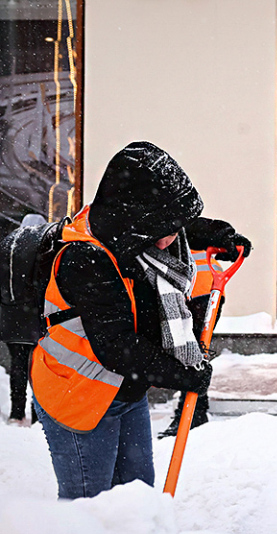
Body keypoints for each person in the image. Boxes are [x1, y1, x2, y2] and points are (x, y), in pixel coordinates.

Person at [31, 141, 252, 499]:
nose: (169, 240)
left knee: (136, 501)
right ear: (136, 222)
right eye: (162, 230)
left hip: (126, 390)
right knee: (87, 509)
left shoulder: (129, 232)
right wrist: (182, 375)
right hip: (78, 395)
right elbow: (117, 346)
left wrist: (217, 234)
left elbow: (175, 226)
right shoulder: (86, 259)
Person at [157, 248, 228, 439]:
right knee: (194, 352)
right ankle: (194, 412)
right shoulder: (192, 236)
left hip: (200, 292)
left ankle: (191, 414)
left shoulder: (183, 234)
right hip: (207, 289)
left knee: (192, 354)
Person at [2, 213, 47, 424]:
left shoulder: (8, 244)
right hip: (36, 317)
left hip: (11, 317)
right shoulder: (43, 247)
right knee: (39, 368)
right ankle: (38, 414)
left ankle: (16, 413)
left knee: (18, 366)